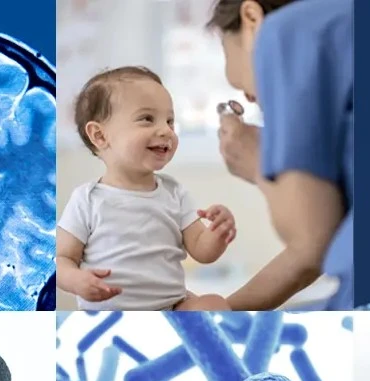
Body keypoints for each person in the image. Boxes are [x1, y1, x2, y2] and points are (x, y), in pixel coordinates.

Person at [207, 0, 353, 310]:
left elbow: (309, 246)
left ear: (252, 19)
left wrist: (256, 161)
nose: (249, 97)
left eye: (243, 88)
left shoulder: (287, 32)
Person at [56, 66, 237, 311]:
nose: (165, 130)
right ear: (100, 136)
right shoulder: (87, 200)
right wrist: (76, 280)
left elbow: (202, 251)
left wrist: (217, 234)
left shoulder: (175, 193)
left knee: (215, 304)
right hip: (110, 317)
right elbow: (62, 259)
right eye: (147, 119)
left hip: (171, 308)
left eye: (170, 121)